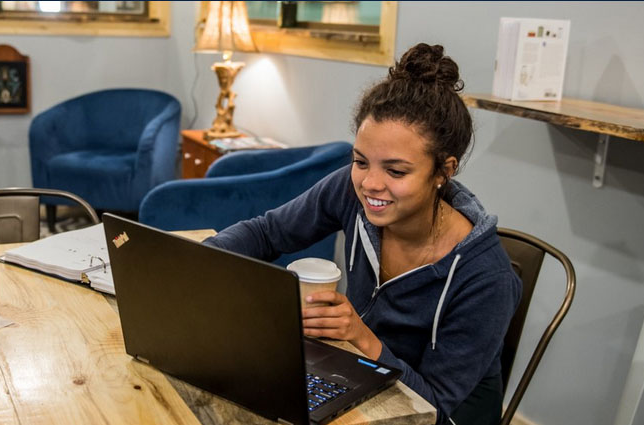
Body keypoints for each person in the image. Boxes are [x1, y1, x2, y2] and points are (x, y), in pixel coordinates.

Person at [204, 43, 521, 425]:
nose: (370, 184)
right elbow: (269, 233)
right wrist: (198, 261)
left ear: (443, 171)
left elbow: (435, 407)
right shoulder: (351, 190)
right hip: (356, 373)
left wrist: (359, 334)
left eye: (396, 171)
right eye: (360, 161)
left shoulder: (487, 279)